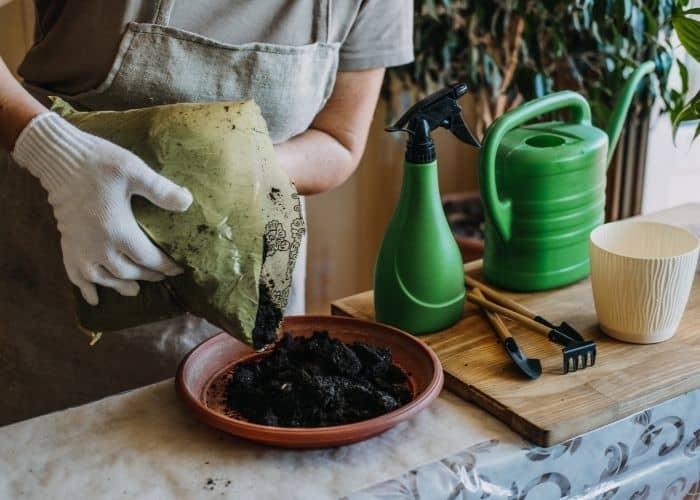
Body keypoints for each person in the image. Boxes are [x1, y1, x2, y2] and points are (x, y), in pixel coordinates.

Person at [0, 0, 413, 425]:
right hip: (55, 288)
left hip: (245, 286)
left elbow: (338, 141)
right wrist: (48, 147)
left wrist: (225, 167)